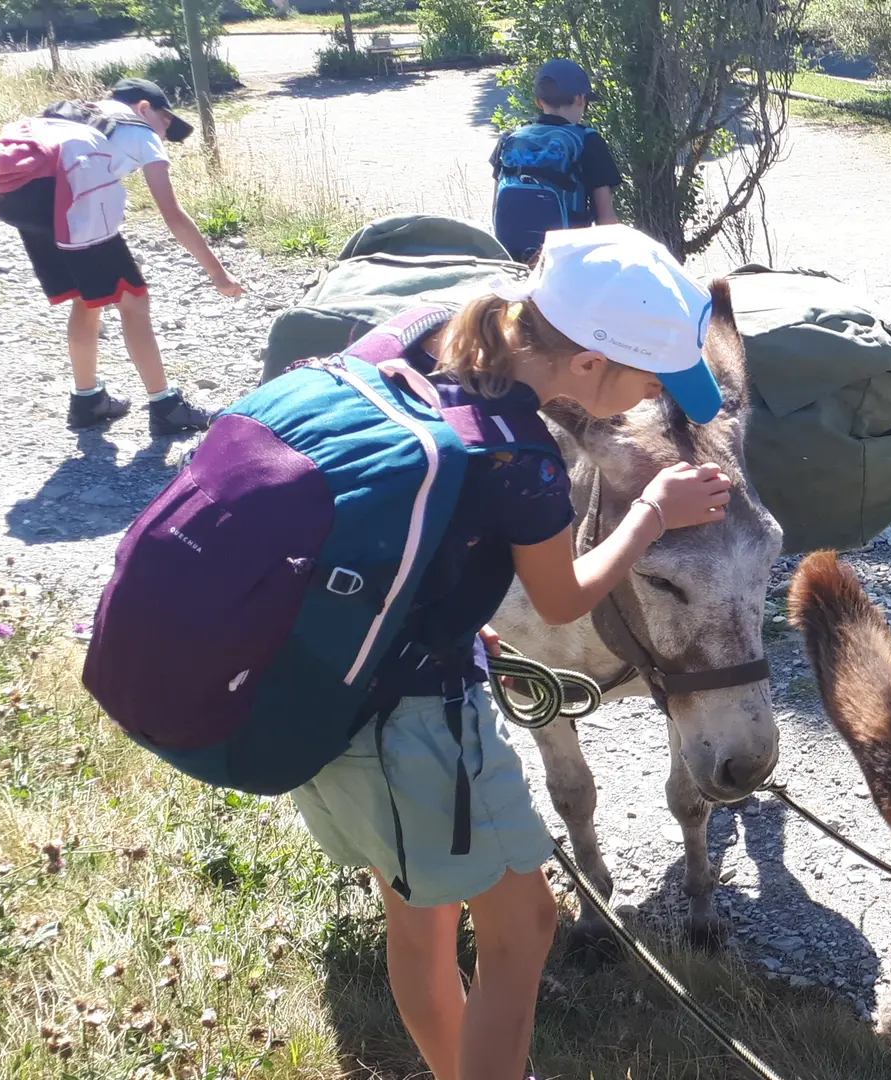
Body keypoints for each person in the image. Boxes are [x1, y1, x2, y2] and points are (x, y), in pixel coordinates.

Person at [288, 225, 732, 1080]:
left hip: (328, 675)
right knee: (523, 926)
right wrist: (653, 515)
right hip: (411, 721)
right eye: (648, 379)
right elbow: (564, 597)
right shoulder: (522, 457)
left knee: (422, 918)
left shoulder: (427, 333)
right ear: (591, 363)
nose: (649, 403)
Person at [0, 78, 241, 434]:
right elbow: (172, 214)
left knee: (86, 299)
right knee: (134, 300)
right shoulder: (141, 132)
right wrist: (218, 274)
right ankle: (166, 406)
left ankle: (87, 399)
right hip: (73, 203)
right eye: (166, 121)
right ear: (143, 108)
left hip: (25, 201)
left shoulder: (83, 115)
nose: (166, 133)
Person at [490, 58, 623, 263]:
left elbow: (496, 208)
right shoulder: (588, 140)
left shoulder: (509, 138)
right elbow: (606, 219)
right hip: (565, 260)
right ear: (580, 99)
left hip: (511, 258)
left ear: (538, 102)